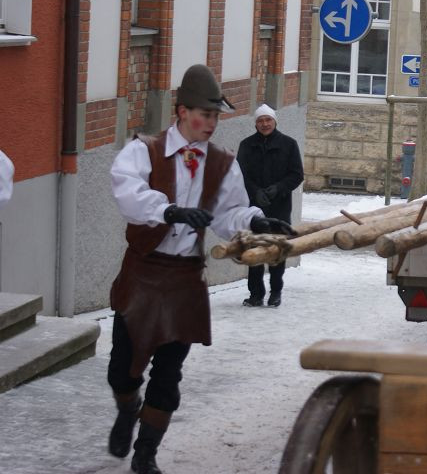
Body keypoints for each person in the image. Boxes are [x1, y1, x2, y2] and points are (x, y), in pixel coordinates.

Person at [107, 64, 294, 474]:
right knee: (123, 368)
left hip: (184, 280)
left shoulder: (224, 163)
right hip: (142, 273)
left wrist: (256, 222)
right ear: (181, 111)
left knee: (168, 374)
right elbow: (128, 193)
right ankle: (126, 408)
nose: (210, 123)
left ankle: (146, 456)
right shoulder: (144, 150)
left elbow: (230, 214)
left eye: (215, 116)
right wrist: (168, 210)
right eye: (204, 115)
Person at [237, 104, 304, 307]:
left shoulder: (289, 144)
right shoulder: (247, 145)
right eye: (260, 121)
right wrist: (255, 192)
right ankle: (256, 293)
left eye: (268, 120)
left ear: (275, 121)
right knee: (254, 247)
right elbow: (239, 175)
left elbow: (296, 175)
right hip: (255, 207)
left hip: (279, 207)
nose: (264, 124)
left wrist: (278, 189)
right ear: (255, 123)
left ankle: (276, 291)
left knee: (277, 251)